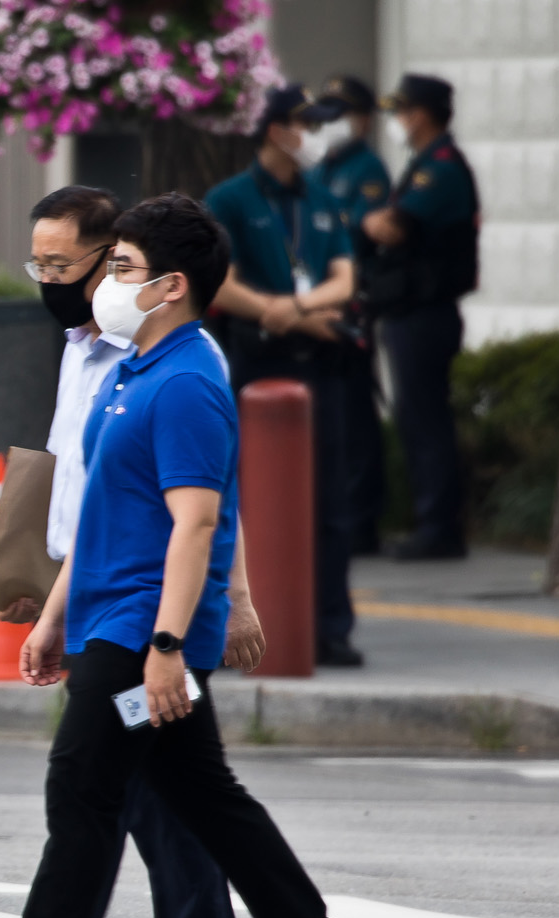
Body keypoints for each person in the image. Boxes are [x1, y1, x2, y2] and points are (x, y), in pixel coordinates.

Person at [0, 193, 374, 918]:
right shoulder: (130, 371)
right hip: (109, 617)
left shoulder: (186, 382)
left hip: (144, 630)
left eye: (123, 267)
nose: (107, 280)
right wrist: (53, 617)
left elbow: (198, 522)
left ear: (170, 285)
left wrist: (170, 646)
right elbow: (100, 513)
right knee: (192, 789)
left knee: (83, 783)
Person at [0, 186, 261, 918]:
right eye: (41, 264)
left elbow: (203, 505)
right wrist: (55, 598)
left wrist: (227, 603)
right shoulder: (87, 347)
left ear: (119, 263)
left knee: (108, 783)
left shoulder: (171, 365)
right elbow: (80, 476)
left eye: (70, 265)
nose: (54, 281)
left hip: (141, 606)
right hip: (94, 587)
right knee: (139, 783)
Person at [206, 85, 363, 668]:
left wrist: (290, 311)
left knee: (330, 499)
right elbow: (219, 282)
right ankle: (251, 624)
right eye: (306, 123)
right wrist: (282, 314)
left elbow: (345, 280)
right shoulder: (231, 198)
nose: (315, 134)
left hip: (319, 359)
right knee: (251, 498)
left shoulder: (321, 197)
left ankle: (330, 626)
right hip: (256, 360)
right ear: (276, 129)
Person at [362, 74, 479, 561]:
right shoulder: (425, 164)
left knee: (425, 419)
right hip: (411, 310)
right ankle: (432, 523)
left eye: (403, 111)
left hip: (425, 312)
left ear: (423, 114)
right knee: (416, 418)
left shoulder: (441, 168)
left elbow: (392, 228)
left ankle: (439, 529)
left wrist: (367, 219)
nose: (398, 121)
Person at [311, 76, 394, 556]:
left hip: (348, 303)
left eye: (341, 113)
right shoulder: (322, 167)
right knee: (331, 415)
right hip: (315, 304)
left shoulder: (366, 169)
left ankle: (362, 520)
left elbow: (357, 232)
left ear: (363, 119)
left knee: (355, 416)